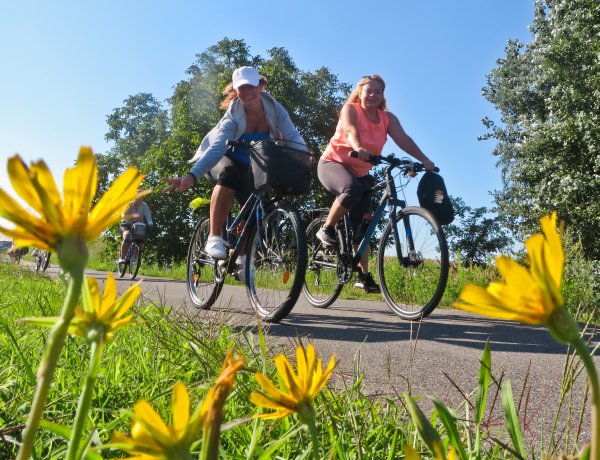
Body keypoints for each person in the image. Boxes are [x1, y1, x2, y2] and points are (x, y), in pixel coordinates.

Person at [163, 66, 306, 280]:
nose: (247, 91)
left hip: (253, 165)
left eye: (251, 85)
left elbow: (293, 136)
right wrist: (191, 176)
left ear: (261, 86)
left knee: (255, 207)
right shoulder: (234, 113)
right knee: (228, 174)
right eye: (241, 87)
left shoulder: (275, 109)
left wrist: (306, 156)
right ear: (235, 89)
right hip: (221, 159)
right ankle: (214, 236)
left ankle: (240, 257)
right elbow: (218, 147)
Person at [316, 74, 436, 294]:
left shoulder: (387, 118)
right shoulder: (350, 109)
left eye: (377, 91)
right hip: (333, 164)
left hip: (360, 173)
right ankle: (327, 228)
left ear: (382, 96)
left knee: (365, 224)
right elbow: (351, 129)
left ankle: (362, 275)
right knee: (351, 188)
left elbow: (404, 139)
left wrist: (424, 160)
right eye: (368, 90)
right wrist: (359, 146)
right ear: (360, 92)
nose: (372, 95)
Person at [119, 196, 154, 263]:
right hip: (127, 225)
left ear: (142, 198)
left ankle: (135, 257)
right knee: (127, 237)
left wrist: (150, 224)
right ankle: (122, 257)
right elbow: (124, 214)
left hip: (138, 227)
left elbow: (148, 216)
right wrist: (124, 221)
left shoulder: (144, 205)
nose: (138, 198)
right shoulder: (128, 204)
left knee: (141, 241)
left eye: (140, 197)